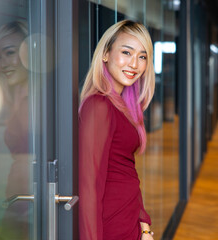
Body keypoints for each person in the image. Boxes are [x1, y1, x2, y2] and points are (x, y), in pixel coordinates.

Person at [79, 20, 155, 240]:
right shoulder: (98, 106)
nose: (134, 64)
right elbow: (89, 186)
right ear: (105, 54)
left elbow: (128, 172)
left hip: (129, 219)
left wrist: (144, 224)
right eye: (126, 52)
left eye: (142, 56)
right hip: (111, 226)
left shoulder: (123, 106)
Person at [0, 20, 31, 240]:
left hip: (32, 206)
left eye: (10, 53)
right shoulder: (14, 97)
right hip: (17, 202)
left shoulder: (40, 100)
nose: (3, 63)